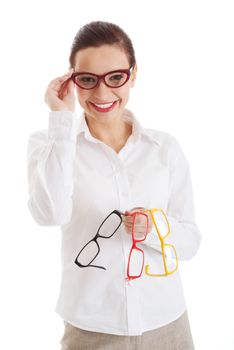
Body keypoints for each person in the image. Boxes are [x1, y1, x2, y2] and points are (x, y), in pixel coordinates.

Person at [27, 20, 201, 350]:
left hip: (167, 324)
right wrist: (61, 119)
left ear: (133, 75)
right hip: (92, 330)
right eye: (88, 80)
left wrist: (152, 229)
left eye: (116, 77)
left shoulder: (164, 149)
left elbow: (190, 242)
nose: (103, 93)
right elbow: (50, 214)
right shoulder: (49, 144)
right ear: (71, 80)